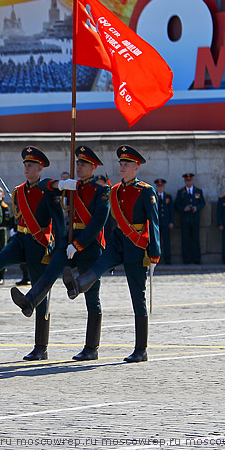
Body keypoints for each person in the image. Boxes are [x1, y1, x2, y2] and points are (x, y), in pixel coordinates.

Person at [61, 145, 160, 363]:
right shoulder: (114, 190)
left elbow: (153, 223)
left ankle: (141, 349)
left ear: (136, 167)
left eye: (126, 164)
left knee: (137, 297)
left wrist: (154, 255)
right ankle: (78, 284)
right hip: (117, 241)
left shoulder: (146, 191)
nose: (122, 167)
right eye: (121, 164)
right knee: (98, 265)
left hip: (136, 244)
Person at [10, 145, 108, 361]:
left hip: (89, 246)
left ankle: (91, 347)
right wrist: (62, 184)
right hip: (67, 242)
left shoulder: (102, 191)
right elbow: (43, 185)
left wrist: (79, 245)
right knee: (49, 272)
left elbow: (97, 224)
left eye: (83, 164)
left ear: (93, 167)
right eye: (77, 163)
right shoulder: (70, 188)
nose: (79, 167)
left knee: (92, 297)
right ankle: (30, 302)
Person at [0, 147, 65, 361]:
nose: (26, 168)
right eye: (25, 165)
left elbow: (58, 222)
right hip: (20, 239)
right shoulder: (19, 191)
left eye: (31, 165)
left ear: (40, 168)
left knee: (41, 294)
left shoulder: (47, 191)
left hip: (39, 244)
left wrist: (60, 249)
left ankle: (41, 347)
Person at [175, 173, 205, 264]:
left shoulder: (198, 191)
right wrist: (184, 209)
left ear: (193, 181)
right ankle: (186, 259)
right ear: (185, 181)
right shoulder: (181, 192)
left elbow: (202, 203)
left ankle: (197, 259)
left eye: (190, 180)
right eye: (187, 180)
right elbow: (176, 204)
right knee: (185, 239)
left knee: (195, 239)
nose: (189, 182)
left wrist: (197, 208)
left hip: (195, 218)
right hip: (185, 219)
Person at [154, 179, 174, 265]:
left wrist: (171, 221)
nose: (160, 188)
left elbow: (171, 210)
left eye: (161, 186)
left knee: (166, 242)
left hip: (166, 222)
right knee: (157, 242)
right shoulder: (153, 197)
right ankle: (157, 260)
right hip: (157, 223)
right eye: (158, 186)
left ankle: (167, 259)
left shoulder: (168, 197)